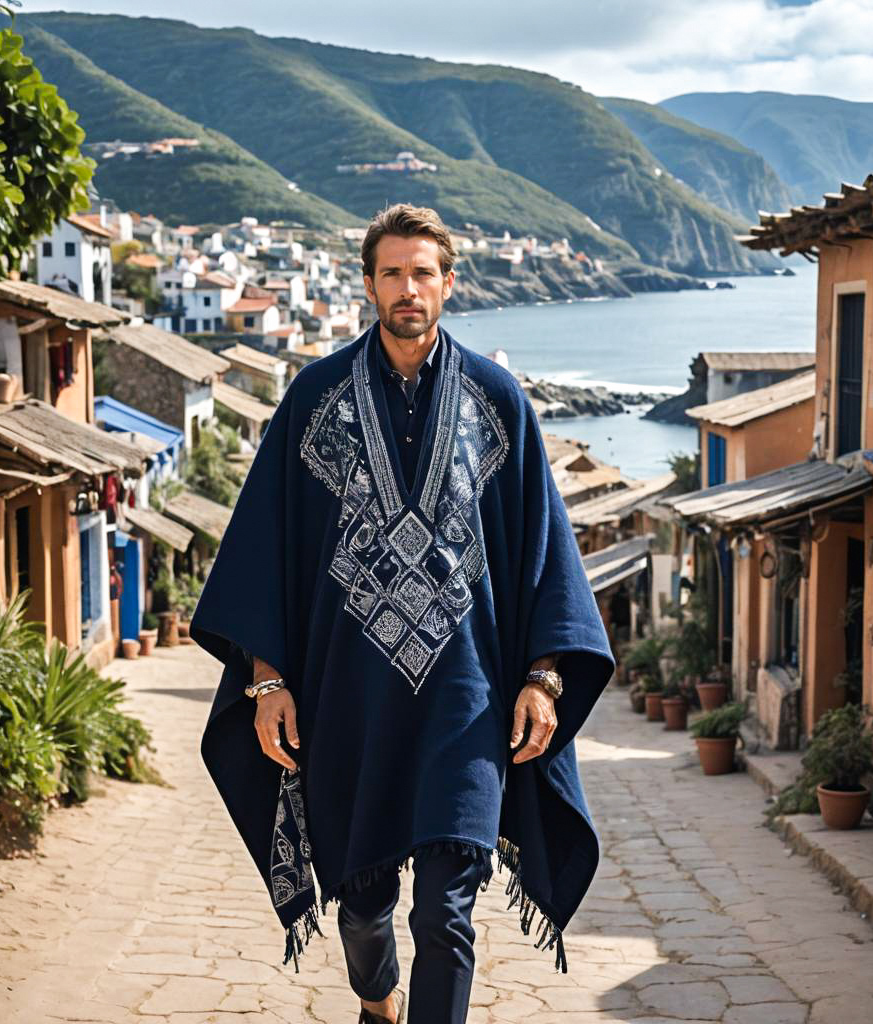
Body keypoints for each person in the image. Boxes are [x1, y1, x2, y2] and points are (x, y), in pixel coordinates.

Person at [190, 203, 614, 1024]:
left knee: (446, 912)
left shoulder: (499, 401)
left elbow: (541, 550)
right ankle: (377, 1003)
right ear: (368, 284)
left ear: (449, 283)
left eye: (424, 272)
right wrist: (268, 681)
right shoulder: (313, 398)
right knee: (365, 904)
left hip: (467, 704)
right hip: (348, 701)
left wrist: (543, 677)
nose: (408, 288)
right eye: (392, 272)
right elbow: (265, 551)